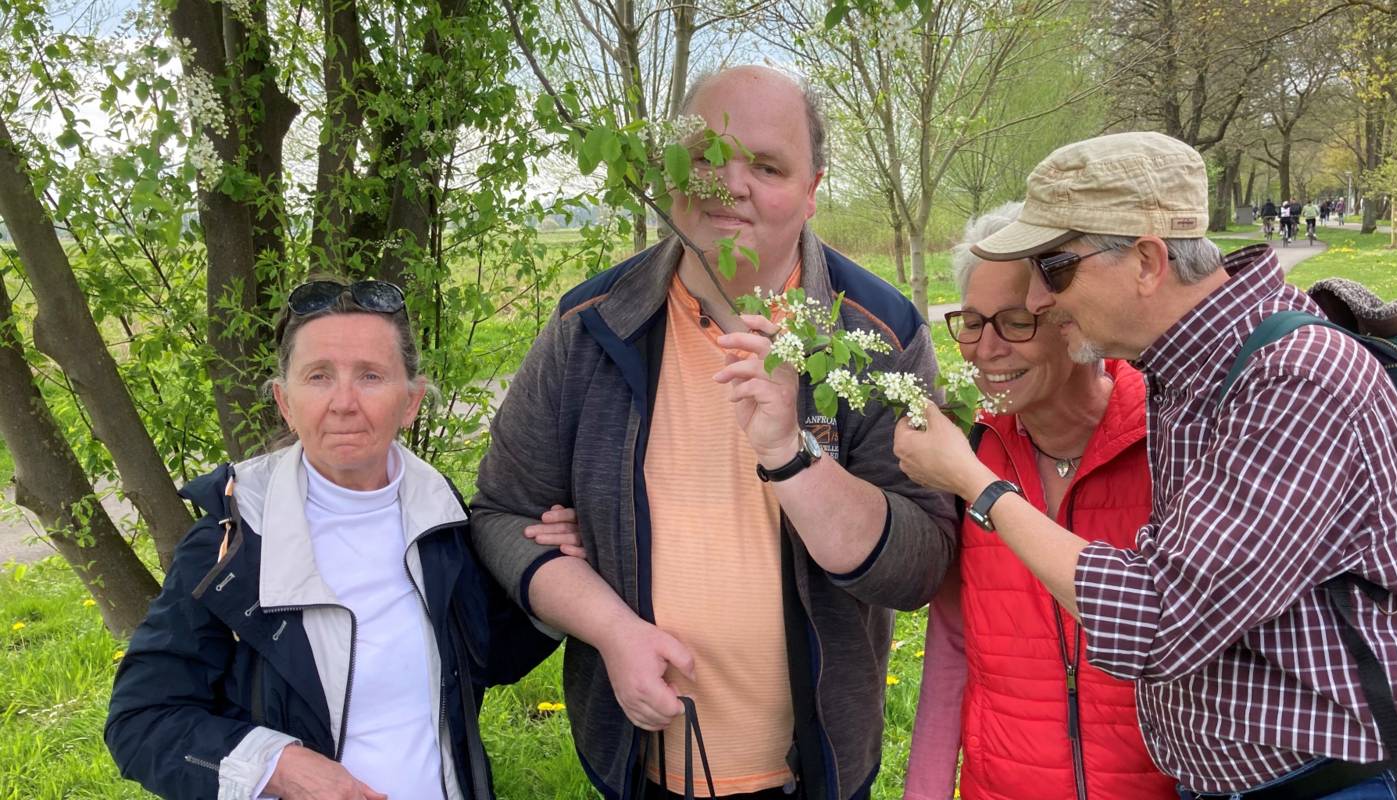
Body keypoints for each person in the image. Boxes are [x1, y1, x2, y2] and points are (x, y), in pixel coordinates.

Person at [893, 132, 1397, 799]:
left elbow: (1160, 617)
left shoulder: (1292, 378)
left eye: (1055, 268)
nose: (1038, 299)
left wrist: (976, 485)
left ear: (1149, 261)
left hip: (1357, 784)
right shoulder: (1187, 376)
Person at [470, 65, 956, 800]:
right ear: (668, 171)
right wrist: (608, 628)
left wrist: (792, 456)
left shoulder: (878, 334)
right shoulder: (589, 327)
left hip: (815, 768)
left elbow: (921, 566)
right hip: (639, 764)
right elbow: (501, 514)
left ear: (812, 189)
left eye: (766, 165)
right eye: (704, 157)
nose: (729, 184)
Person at [105, 279, 557, 800]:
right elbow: (142, 722)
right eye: (319, 377)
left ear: (410, 402)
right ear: (285, 402)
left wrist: (543, 561)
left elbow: (484, 658)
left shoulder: (440, 518)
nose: (344, 402)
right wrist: (277, 766)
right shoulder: (234, 542)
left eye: (370, 375)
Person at [903, 203, 1175, 800]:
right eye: (971, 322)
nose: (986, 349)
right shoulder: (966, 454)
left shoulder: (1169, 443)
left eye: (1014, 322)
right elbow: (951, 644)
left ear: (1070, 317)